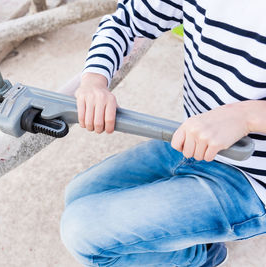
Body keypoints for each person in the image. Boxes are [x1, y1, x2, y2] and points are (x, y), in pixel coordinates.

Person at [60, 0, 266, 266]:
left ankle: (202, 259)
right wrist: (94, 80)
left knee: (83, 234)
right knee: (78, 194)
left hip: (252, 182)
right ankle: (200, 247)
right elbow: (126, 20)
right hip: (188, 141)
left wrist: (247, 116)